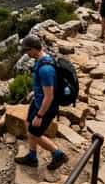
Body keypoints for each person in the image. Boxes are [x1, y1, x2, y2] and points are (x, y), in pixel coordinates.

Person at [15, 35, 67, 170]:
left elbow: (49, 96)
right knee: (28, 124)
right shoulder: (42, 59)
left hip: (46, 107)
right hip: (38, 101)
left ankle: (58, 154)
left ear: (34, 49)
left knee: (35, 134)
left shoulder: (45, 69)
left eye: (27, 50)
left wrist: (39, 115)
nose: (26, 53)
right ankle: (32, 157)